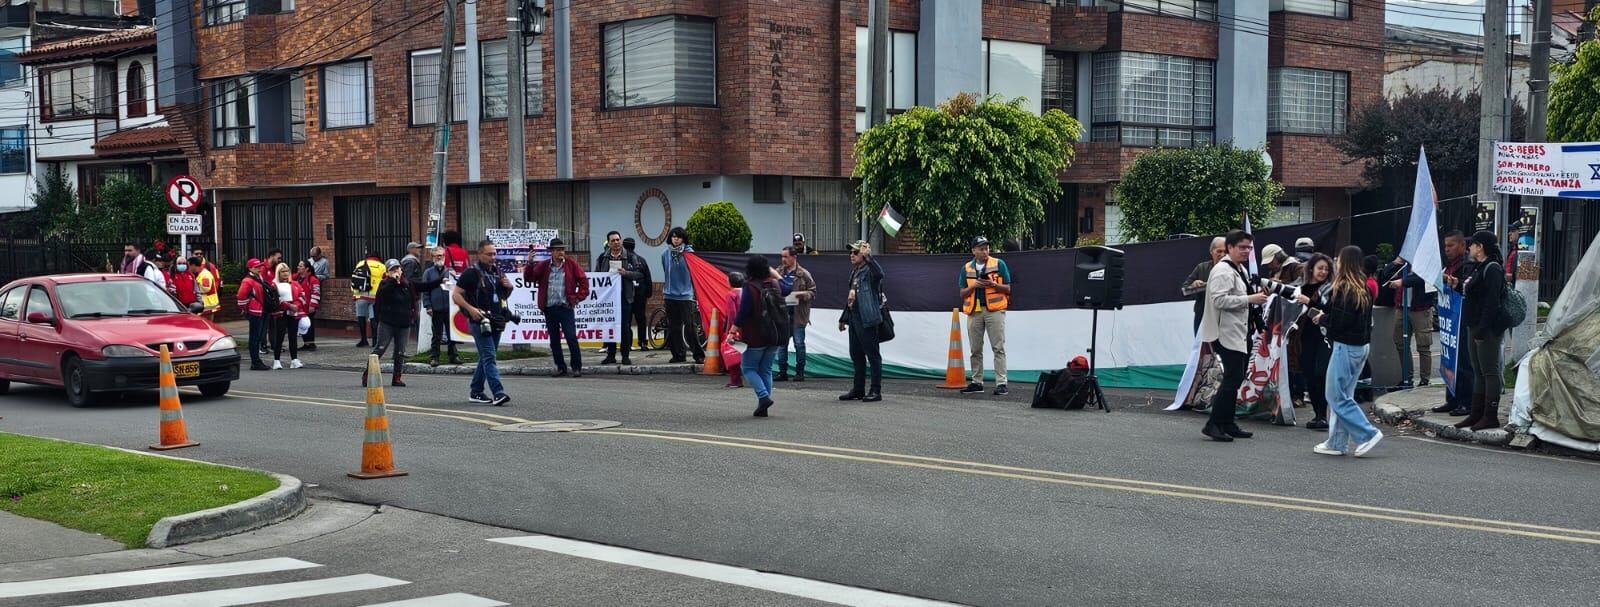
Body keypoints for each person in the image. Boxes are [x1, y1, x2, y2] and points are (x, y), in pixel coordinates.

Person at [1307, 246, 1384, 457]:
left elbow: (1339, 322)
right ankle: (1337, 442)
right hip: (1360, 347)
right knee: (1344, 396)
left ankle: (1368, 433)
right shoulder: (1362, 286)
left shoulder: (1344, 288)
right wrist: (1319, 306)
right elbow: (1345, 315)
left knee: (1335, 396)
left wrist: (1322, 318)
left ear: (1344, 262)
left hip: (1345, 347)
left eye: (1338, 259)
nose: (1335, 262)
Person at [1199, 230, 1271, 442]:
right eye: (1242, 247)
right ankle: (1213, 424)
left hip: (1239, 332)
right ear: (1230, 247)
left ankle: (1227, 423)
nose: (1246, 251)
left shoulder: (1239, 269)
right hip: (1225, 333)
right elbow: (1219, 301)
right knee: (1232, 378)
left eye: (1249, 248)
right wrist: (1250, 299)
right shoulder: (1223, 270)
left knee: (1236, 378)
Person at [1450, 231, 1508, 431]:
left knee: (1489, 371)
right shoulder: (1479, 267)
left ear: (1480, 246)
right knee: (1478, 371)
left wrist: (1483, 330)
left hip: (1487, 328)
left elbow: (1491, 303)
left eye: (1472, 245)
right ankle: (1476, 414)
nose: (1469, 249)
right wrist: (1457, 285)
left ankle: (1490, 415)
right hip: (1473, 324)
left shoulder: (1492, 268)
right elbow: (1475, 295)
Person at [453, 241, 513, 406]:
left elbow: (502, 297)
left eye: (494, 254)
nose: (493, 257)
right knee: (489, 356)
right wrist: (470, 309)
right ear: (479, 254)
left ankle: (476, 391)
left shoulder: (497, 272)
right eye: (489, 254)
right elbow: (456, 295)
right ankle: (498, 392)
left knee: (487, 356)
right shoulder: (471, 273)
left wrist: (509, 288)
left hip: (496, 320)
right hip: (479, 321)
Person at [525, 237, 590, 377]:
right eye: (558, 250)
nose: (561, 252)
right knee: (554, 340)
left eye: (562, 249)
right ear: (552, 252)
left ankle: (576, 367)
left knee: (571, 337)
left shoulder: (571, 264)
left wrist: (577, 298)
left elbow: (584, 282)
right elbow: (529, 278)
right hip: (550, 308)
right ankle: (561, 367)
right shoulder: (544, 266)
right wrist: (530, 263)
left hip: (565, 307)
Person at [958, 236, 1012, 396]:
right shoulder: (966, 268)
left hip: (994, 310)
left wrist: (994, 285)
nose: (985, 251)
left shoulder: (999, 264)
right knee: (975, 349)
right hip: (974, 311)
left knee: (998, 347)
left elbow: (1008, 288)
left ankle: (1001, 383)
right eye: (981, 248)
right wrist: (974, 285)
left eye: (987, 248)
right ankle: (976, 382)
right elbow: (962, 293)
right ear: (973, 250)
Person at [735, 256, 787, 417]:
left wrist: (733, 329)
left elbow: (743, 311)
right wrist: (776, 275)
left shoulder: (749, 287)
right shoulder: (775, 283)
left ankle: (763, 397)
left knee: (749, 368)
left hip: (755, 334)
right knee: (766, 369)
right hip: (775, 333)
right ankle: (763, 405)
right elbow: (788, 288)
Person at [838, 241, 885, 403]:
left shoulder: (870, 271)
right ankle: (858, 389)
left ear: (864, 255)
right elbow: (852, 296)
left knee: (873, 356)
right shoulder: (855, 272)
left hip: (868, 319)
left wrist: (869, 257)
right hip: (854, 318)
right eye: (850, 253)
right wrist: (844, 317)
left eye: (855, 253)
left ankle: (875, 390)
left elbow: (880, 274)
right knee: (856, 355)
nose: (851, 255)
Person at [1436, 230, 1476, 415]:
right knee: (1449, 359)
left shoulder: (1468, 265)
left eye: (1451, 245)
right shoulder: (1448, 265)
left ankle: (1466, 402)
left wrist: (1455, 282)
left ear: (1462, 246)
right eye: (1445, 246)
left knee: (1464, 361)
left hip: (1463, 319)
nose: (1447, 249)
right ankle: (1451, 399)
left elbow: (1468, 287)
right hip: (1449, 320)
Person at [1380, 255, 1435, 388]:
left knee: (1423, 345)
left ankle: (1424, 380)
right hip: (1402, 307)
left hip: (1421, 308)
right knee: (1399, 342)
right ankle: (1407, 378)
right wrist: (1396, 262)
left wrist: (1402, 282)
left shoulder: (1427, 258)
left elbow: (1421, 279)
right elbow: (1385, 274)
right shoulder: (1403, 263)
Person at [595, 231, 645, 365]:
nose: (616, 243)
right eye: (613, 241)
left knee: (624, 326)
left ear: (621, 241)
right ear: (609, 243)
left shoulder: (630, 256)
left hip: (625, 297)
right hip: (608, 299)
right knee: (609, 326)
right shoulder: (602, 258)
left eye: (618, 240)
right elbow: (597, 276)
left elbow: (640, 274)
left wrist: (626, 273)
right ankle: (610, 354)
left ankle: (625, 355)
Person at [1297, 253, 1335, 430]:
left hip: (1323, 336)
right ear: (1311, 268)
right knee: (1309, 374)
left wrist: (1311, 303)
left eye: (1326, 269)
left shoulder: (1330, 289)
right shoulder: (1300, 287)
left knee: (1320, 374)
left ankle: (1323, 414)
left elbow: (1330, 311)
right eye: (1320, 268)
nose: (1323, 272)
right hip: (1303, 336)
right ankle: (1317, 414)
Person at [367, 260, 415, 387]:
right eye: (392, 270)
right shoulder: (384, 284)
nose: (396, 271)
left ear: (401, 270)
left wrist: (412, 315)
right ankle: (368, 374)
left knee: (400, 351)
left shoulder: (406, 284)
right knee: (381, 348)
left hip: (403, 323)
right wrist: (394, 281)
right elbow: (381, 298)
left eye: (397, 268)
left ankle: (397, 377)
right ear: (387, 273)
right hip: (387, 322)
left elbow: (412, 300)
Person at [661, 227, 705, 364]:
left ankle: (698, 355)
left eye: (679, 237)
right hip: (669, 295)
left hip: (685, 296)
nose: (676, 239)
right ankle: (678, 354)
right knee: (674, 327)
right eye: (673, 236)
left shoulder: (690, 254)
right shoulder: (665, 254)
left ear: (683, 239)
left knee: (690, 327)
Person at [774, 246, 816, 382]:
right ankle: (782, 372)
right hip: (782, 314)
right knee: (781, 345)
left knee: (799, 343)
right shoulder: (778, 272)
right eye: (782, 256)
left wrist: (802, 294)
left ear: (794, 257)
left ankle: (800, 372)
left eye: (786, 256)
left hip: (798, 315)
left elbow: (813, 292)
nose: (783, 259)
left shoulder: (803, 274)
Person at [422, 247, 461, 366]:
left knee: (452, 334)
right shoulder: (428, 273)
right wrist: (428, 306)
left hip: (450, 308)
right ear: (433, 257)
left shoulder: (450, 271)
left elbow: (457, 288)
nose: (440, 258)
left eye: (442, 255)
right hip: (436, 308)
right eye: (437, 256)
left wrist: (456, 277)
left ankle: (453, 356)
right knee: (437, 334)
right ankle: (435, 357)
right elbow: (425, 291)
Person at [1183, 237, 1227, 334]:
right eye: (1219, 251)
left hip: (1225, 318)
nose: (1222, 255)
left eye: (1225, 252)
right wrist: (1194, 285)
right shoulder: (1202, 268)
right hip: (1202, 316)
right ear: (1211, 251)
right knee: (1201, 348)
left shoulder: (1233, 269)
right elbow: (1185, 289)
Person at [235, 259, 272, 371]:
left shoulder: (258, 277)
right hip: (255, 312)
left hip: (261, 311)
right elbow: (241, 297)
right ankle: (255, 361)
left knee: (258, 336)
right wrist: (247, 308)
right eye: (256, 267)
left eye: (260, 266)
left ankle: (256, 360)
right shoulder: (248, 281)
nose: (259, 268)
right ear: (250, 268)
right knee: (255, 337)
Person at [269, 263, 302, 370]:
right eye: (283, 271)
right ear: (278, 273)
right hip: (281, 313)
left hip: (293, 313)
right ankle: (276, 360)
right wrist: (289, 306)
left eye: (287, 271)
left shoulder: (295, 284)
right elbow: (274, 300)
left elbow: (301, 296)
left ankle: (294, 360)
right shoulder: (274, 285)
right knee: (280, 337)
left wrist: (296, 306)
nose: (285, 273)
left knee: (293, 337)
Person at [623, 237, 653, 351]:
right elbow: (648, 278)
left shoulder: (622, 260)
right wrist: (648, 293)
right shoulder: (642, 260)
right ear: (634, 246)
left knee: (627, 320)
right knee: (641, 319)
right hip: (641, 294)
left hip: (627, 295)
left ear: (624, 246)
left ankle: (628, 343)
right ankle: (643, 343)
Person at [351, 249, 386, 347]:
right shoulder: (382, 266)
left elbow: (354, 277)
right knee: (374, 318)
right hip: (375, 296)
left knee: (361, 317)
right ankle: (375, 341)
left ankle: (363, 340)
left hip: (361, 294)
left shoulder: (361, 263)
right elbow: (386, 279)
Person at [722, 272, 747, 389]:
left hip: (736, 328)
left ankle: (736, 380)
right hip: (748, 328)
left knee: (731, 353)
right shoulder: (747, 293)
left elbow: (732, 314)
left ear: (730, 282)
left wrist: (730, 332)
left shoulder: (731, 294)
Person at [293, 260, 321, 354]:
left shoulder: (313, 279)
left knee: (310, 325)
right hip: (300, 307)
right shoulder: (296, 278)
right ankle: (306, 343)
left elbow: (316, 292)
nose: (298, 267)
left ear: (307, 268)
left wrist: (313, 305)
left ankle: (311, 343)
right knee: (303, 325)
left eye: (300, 266)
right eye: (298, 266)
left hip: (309, 306)